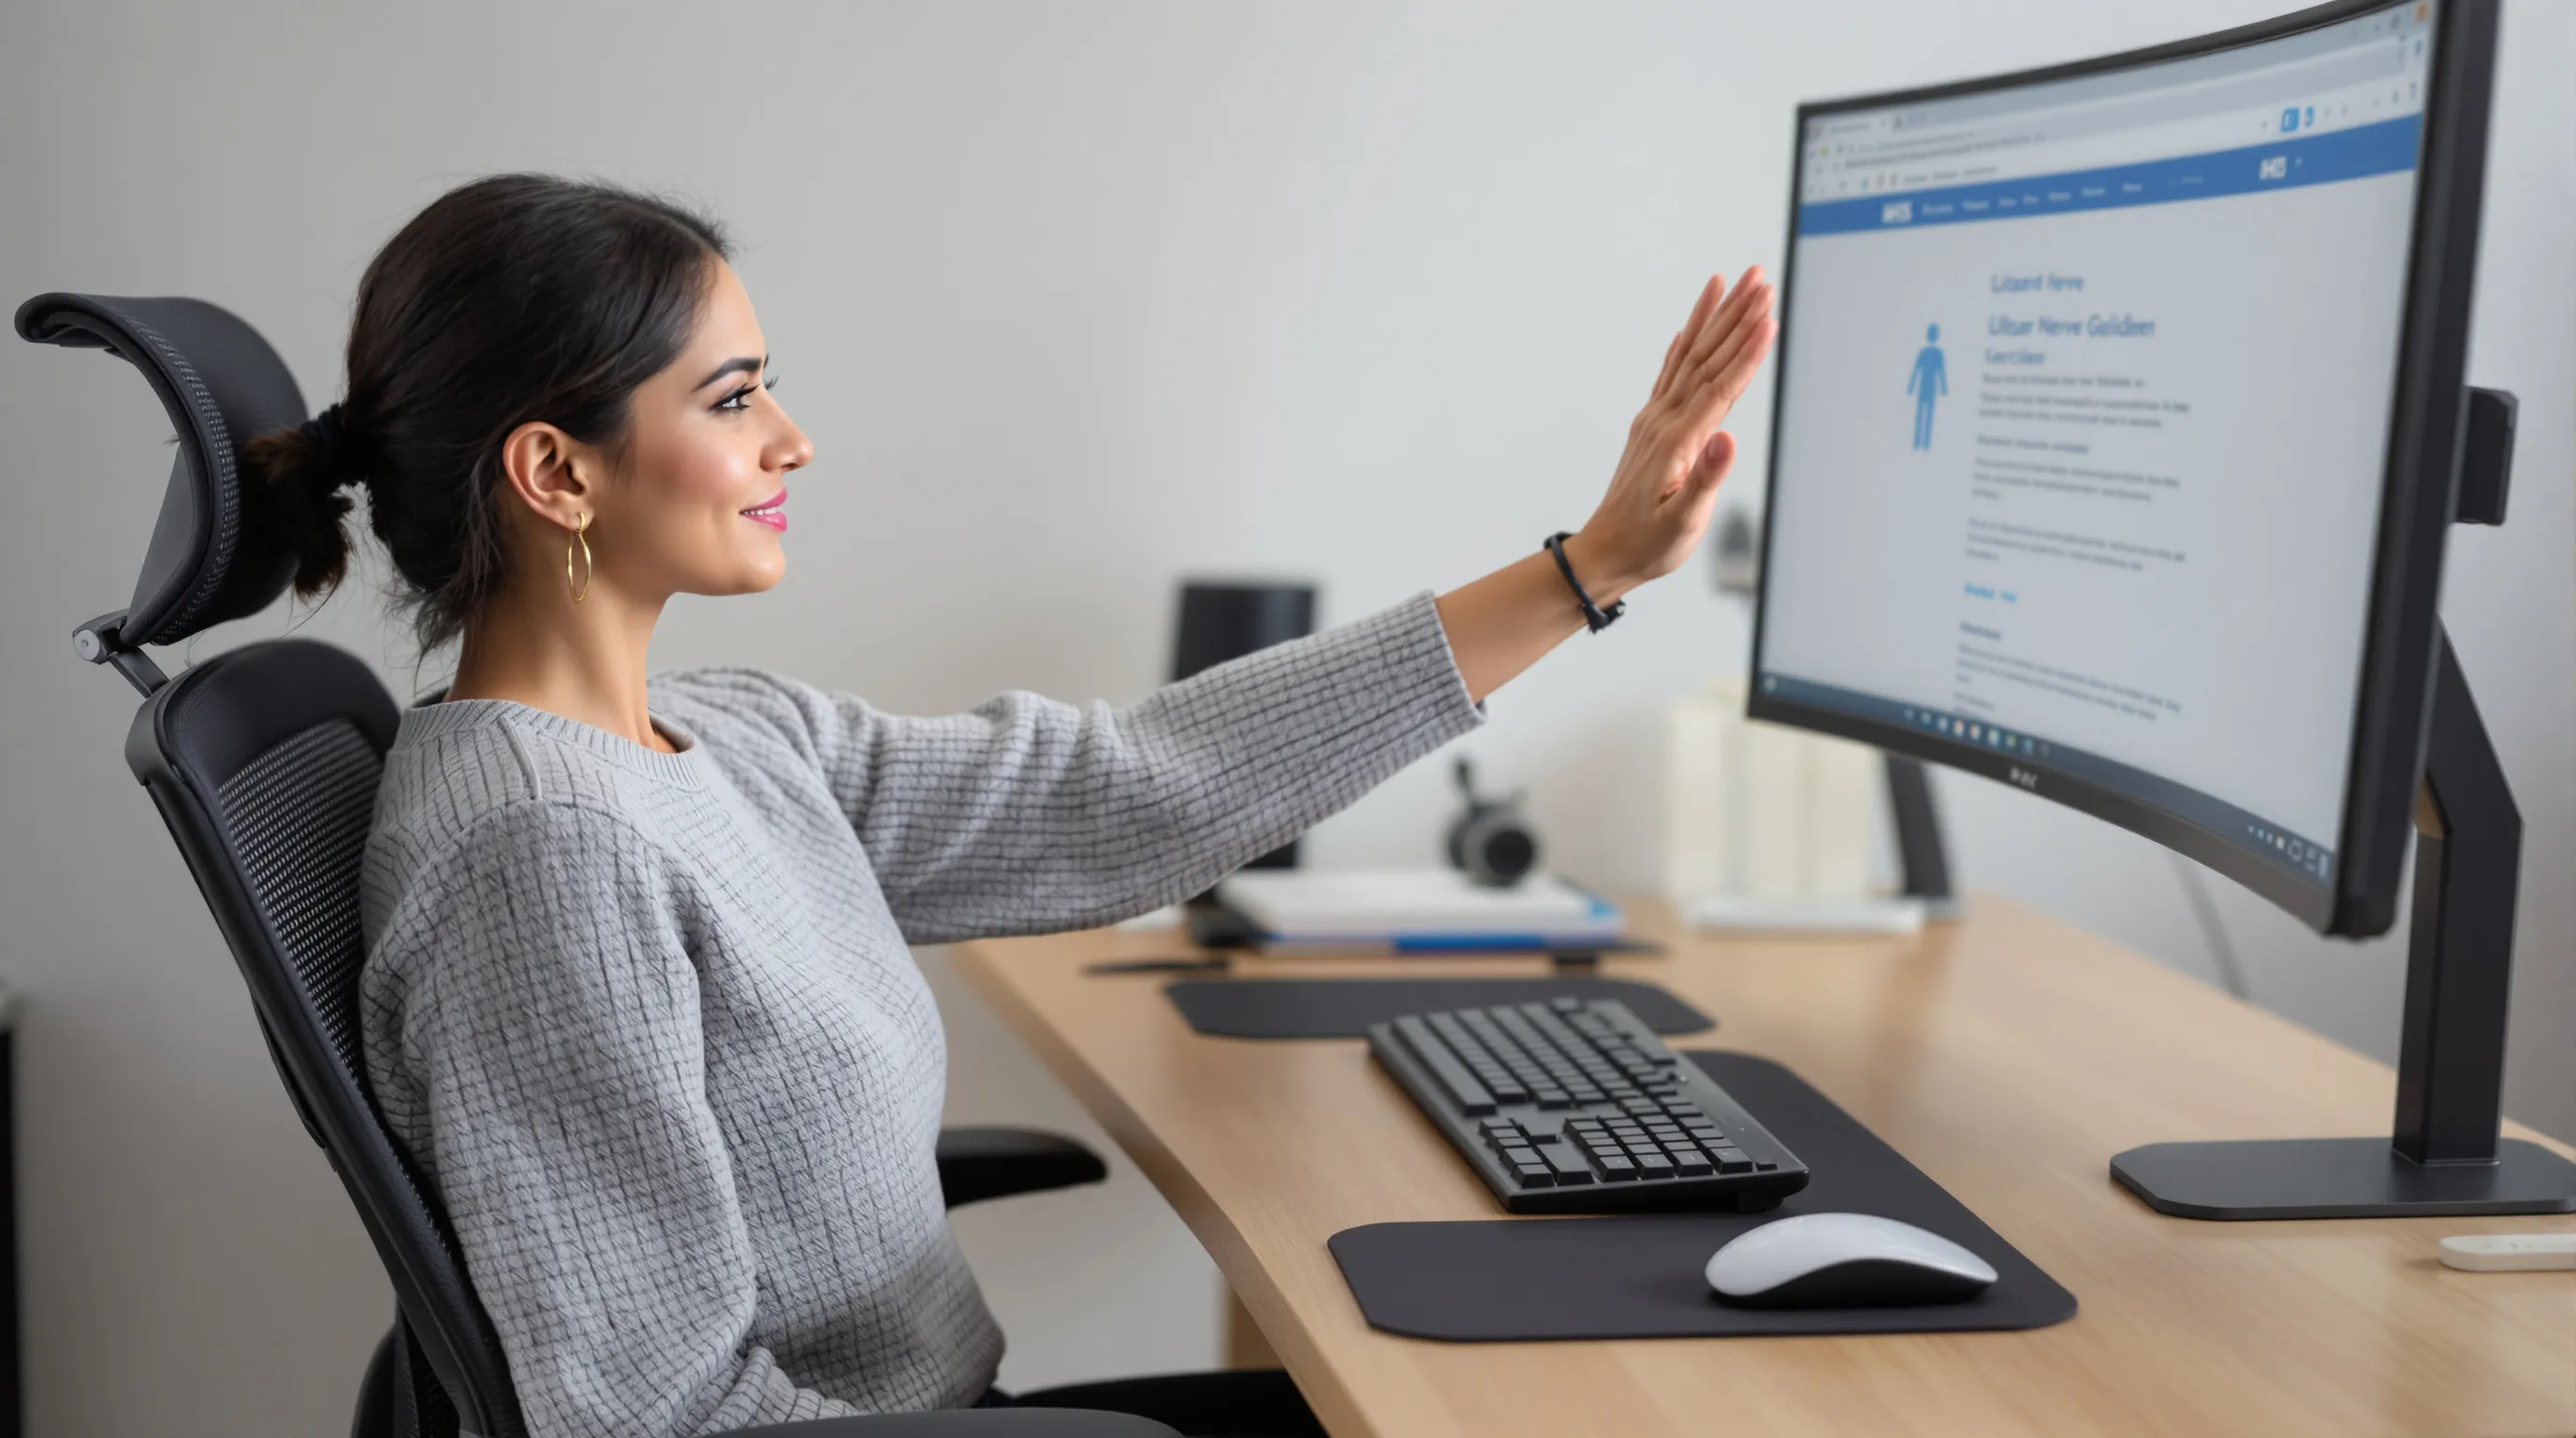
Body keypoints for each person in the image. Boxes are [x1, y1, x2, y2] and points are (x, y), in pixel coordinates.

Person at [253, 174, 1773, 1438]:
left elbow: (1120, 796)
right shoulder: (547, 855)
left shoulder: (712, 734)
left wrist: (1590, 571)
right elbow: (651, 1418)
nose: (791, 439)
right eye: (733, 397)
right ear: (556, 474)